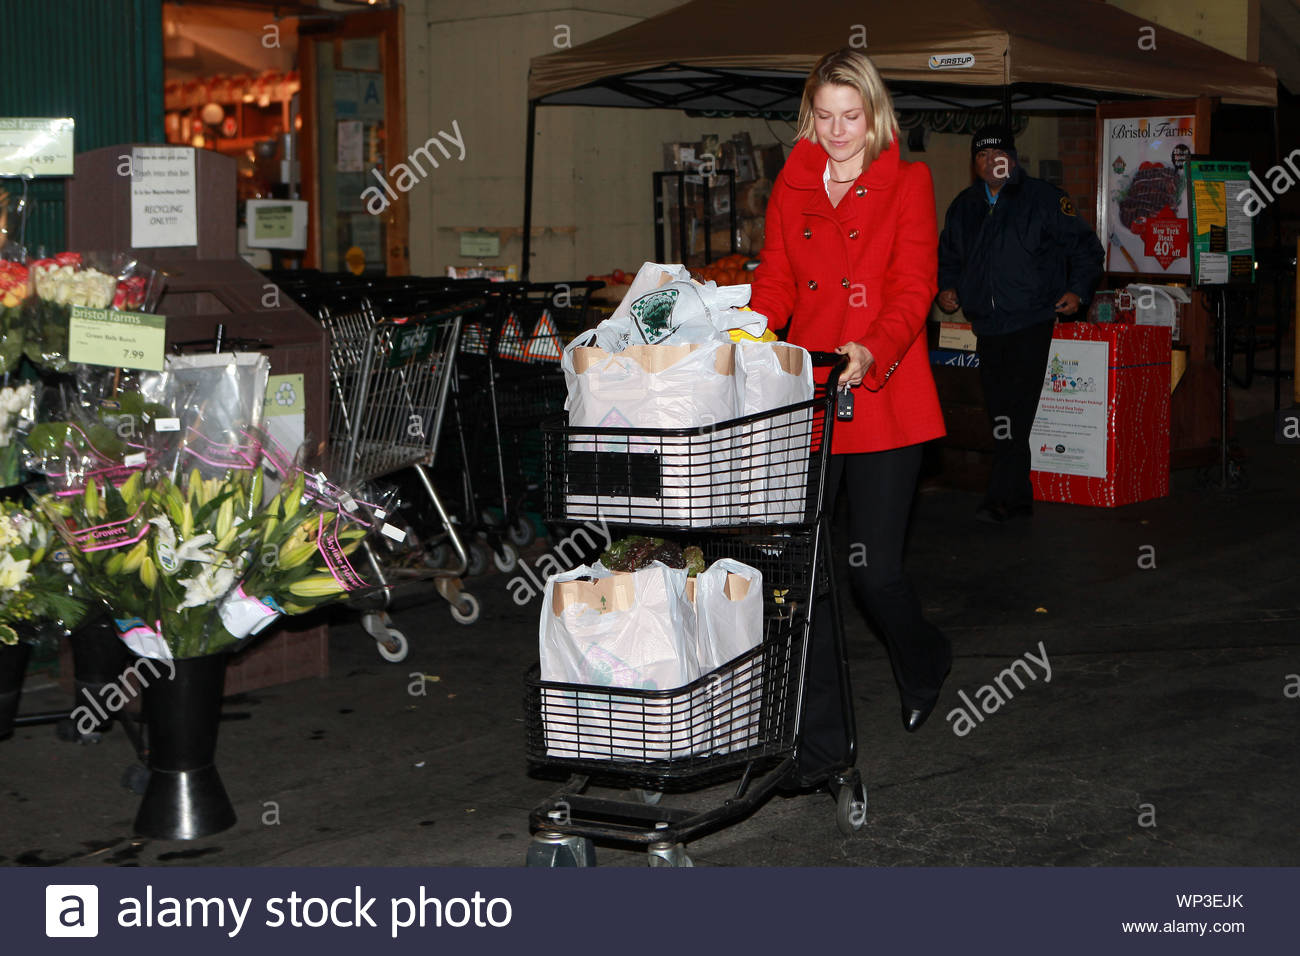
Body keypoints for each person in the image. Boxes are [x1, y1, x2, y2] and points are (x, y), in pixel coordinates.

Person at [749, 48, 951, 778]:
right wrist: (746, 326)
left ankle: (925, 654)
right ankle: (820, 745)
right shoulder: (794, 180)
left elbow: (913, 286)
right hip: (809, 399)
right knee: (802, 575)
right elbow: (775, 277)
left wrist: (871, 349)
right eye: (825, 117)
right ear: (811, 116)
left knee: (875, 574)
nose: (838, 132)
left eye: (851, 117)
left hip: (882, 395)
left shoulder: (908, 180)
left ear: (874, 115)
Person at [937, 125, 1104, 523]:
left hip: (1031, 320)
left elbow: (1087, 249)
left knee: (1017, 410)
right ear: (974, 163)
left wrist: (1078, 291)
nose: (988, 161)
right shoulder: (964, 206)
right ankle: (1019, 496)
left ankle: (999, 497)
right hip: (989, 325)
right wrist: (946, 287)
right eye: (980, 155)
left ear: (1012, 159)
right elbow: (948, 256)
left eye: (997, 154)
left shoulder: (1044, 200)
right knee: (1000, 412)